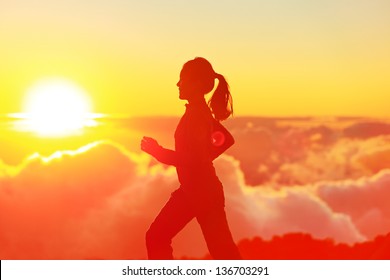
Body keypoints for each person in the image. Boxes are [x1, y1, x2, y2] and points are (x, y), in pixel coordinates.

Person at [141, 57, 241, 260]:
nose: (178, 84)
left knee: (157, 237)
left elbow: (193, 158)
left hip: (200, 193)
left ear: (196, 84)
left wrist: (158, 151)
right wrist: (204, 157)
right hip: (197, 191)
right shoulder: (199, 112)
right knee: (224, 254)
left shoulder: (197, 115)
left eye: (182, 79)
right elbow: (225, 140)